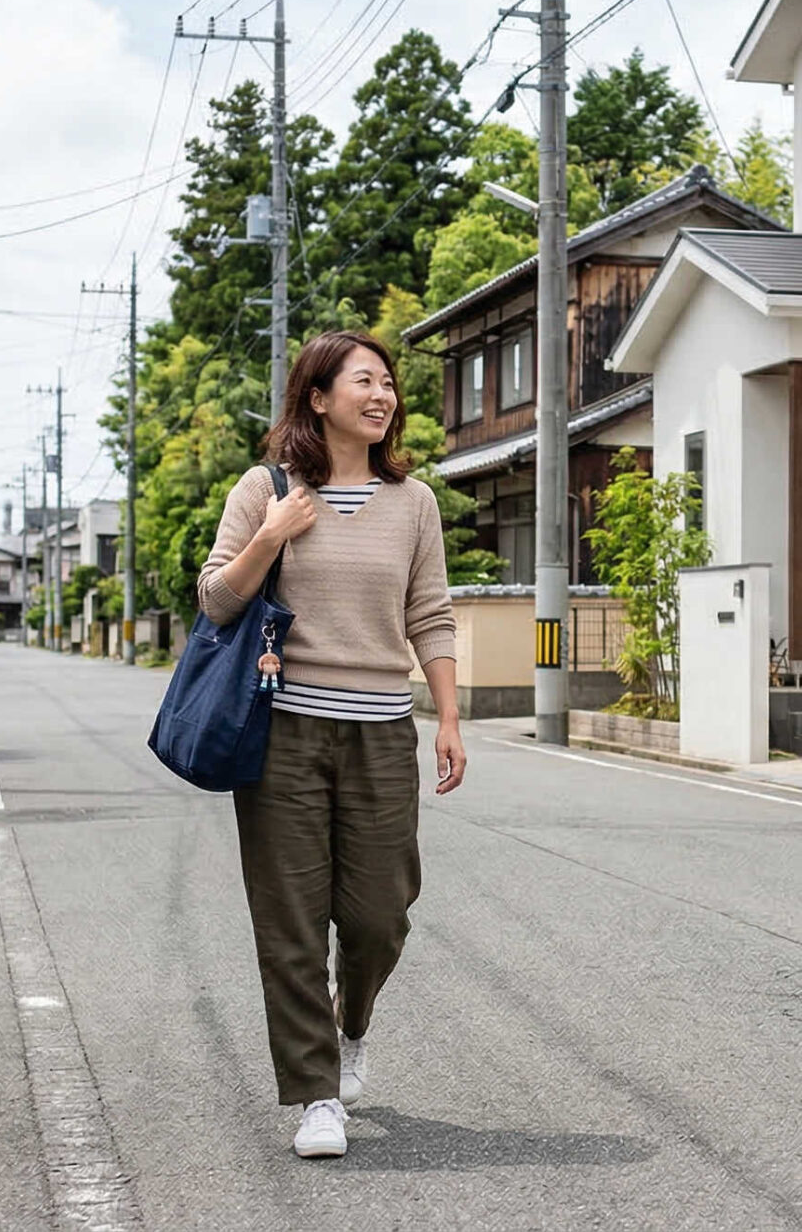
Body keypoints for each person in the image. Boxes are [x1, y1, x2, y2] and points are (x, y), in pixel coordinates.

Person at [198, 331, 464, 1159]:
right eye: (364, 381)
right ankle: (316, 1094)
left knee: (381, 914)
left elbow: (430, 613)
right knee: (291, 920)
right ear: (318, 398)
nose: (382, 395)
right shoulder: (265, 488)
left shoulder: (414, 502)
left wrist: (448, 718)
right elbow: (215, 599)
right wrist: (271, 534)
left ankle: (352, 1025)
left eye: (388, 383)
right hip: (281, 732)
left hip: (381, 731)